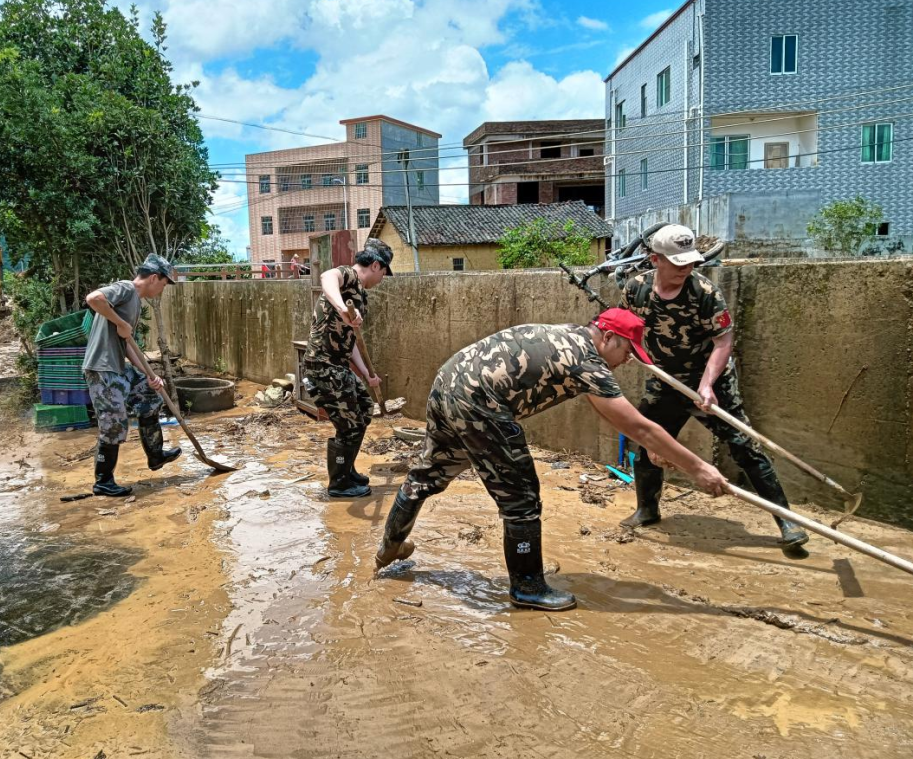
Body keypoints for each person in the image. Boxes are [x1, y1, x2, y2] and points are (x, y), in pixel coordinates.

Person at [375, 308, 728, 612]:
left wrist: (651, 444)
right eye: (627, 350)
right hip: (480, 401)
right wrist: (698, 468)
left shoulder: (570, 339)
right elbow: (641, 427)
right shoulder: (588, 361)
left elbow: (619, 419)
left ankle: (390, 546)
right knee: (521, 497)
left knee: (429, 472)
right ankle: (527, 586)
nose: (628, 361)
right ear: (607, 337)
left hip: (449, 381)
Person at [619, 225, 809, 549]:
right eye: (677, 262)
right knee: (647, 444)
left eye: (690, 261)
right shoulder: (635, 290)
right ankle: (647, 509)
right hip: (665, 380)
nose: (686, 268)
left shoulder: (704, 292)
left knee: (745, 447)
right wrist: (626, 348)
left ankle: (786, 520)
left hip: (710, 379)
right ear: (655, 260)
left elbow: (723, 342)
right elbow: (627, 326)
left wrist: (707, 385)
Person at [81, 254, 182, 497]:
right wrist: (119, 322)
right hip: (102, 368)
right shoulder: (126, 288)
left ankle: (155, 455)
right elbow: (93, 298)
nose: (163, 289)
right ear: (154, 278)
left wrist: (147, 373)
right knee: (114, 422)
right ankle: (103, 481)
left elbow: (126, 343)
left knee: (150, 396)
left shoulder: (136, 302)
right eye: (164, 283)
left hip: (118, 366)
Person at [303, 239, 394, 498]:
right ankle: (339, 483)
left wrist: (367, 374)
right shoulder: (348, 275)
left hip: (339, 365)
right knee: (349, 424)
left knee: (364, 410)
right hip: (323, 366)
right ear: (376, 265)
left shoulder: (360, 294)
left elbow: (352, 341)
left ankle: (347, 470)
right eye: (384, 273)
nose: (383, 279)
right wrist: (343, 309)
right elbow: (326, 276)